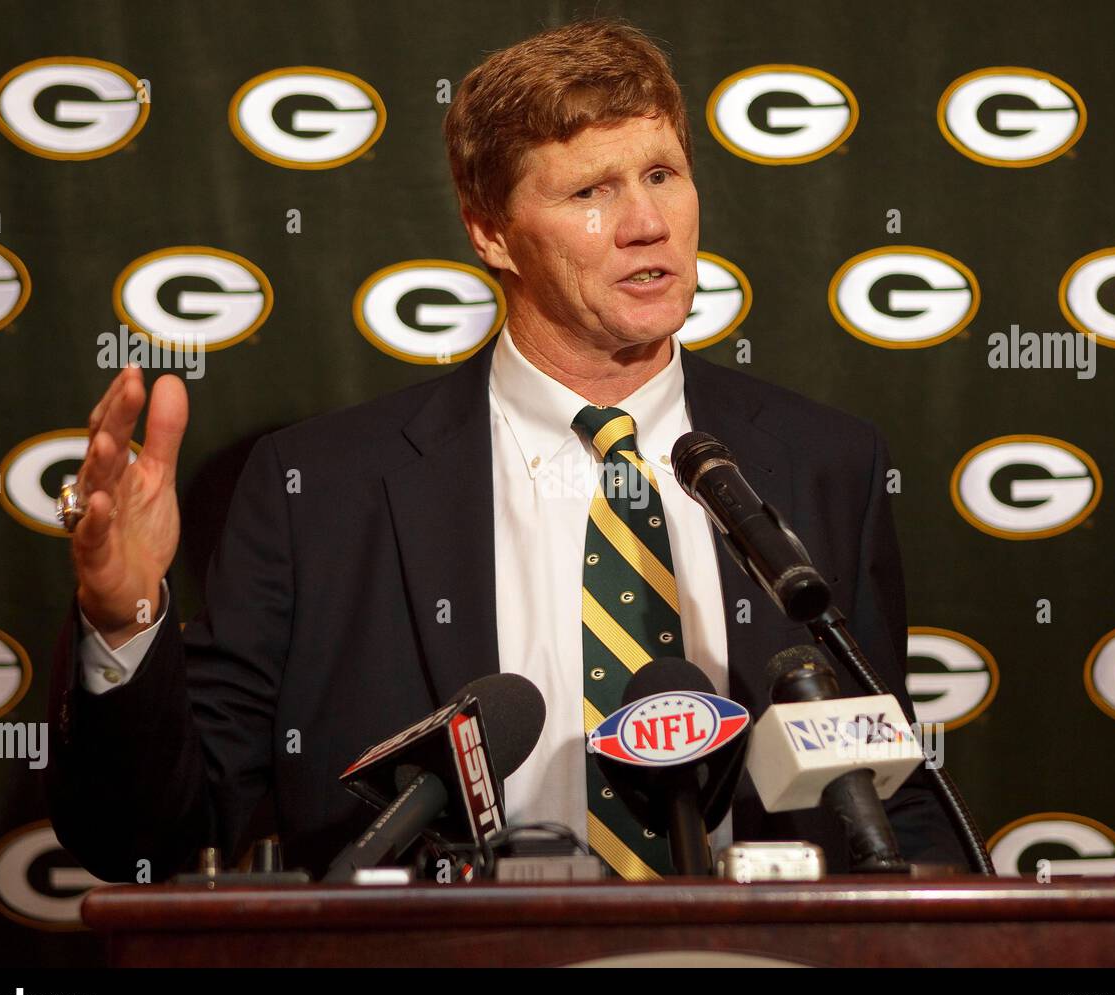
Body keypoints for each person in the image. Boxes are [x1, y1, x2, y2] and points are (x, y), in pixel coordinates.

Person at [48, 18, 969, 882]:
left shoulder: (823, 464)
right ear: (491, 232)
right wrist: (123, 617)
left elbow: (886, 802)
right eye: (589, 192)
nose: (647, 223)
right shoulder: (320, 490)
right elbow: (150, 837)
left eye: (663, 174)